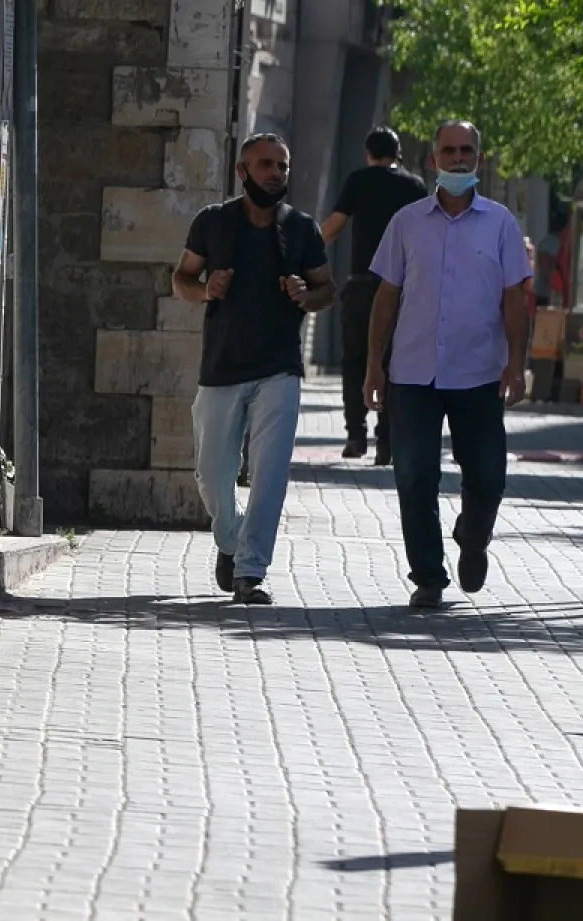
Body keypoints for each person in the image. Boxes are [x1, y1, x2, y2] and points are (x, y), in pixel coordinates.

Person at [363, 120, 531, 610]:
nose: (458, 159)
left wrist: (515, 365)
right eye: (449, 151)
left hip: (478, 372)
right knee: (414, 475)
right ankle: (429, 576)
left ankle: (473, 537)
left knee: (488, 476)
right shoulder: (407, 222)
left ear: (478, 158)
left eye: (467, 151)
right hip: (412, 372)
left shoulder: (500, 223)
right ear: (432, 159)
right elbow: (386, 296)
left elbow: (514, 301)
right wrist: (374, 364)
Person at [172, 133, 335, 604]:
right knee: (210, 473)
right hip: (222, 367)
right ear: (242, 171)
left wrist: (307, 294)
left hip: (279, 368)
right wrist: (206, 289)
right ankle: (230, 538)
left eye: (282, 167)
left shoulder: (302, 228)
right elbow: (180, 278)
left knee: (270, 473)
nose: (275, 174)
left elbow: (329, 289)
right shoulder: (213, 222)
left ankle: (250, 572)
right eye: (265, 165)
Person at [320, 126, 427, 465]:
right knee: (396, 364)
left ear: (368, 154)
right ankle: (387, 442)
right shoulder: (414, 186)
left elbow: (334, 226)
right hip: (402, 287)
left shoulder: (358, 181)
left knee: (354, 360)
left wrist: (302, 249)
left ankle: (355, 435)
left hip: (362, 283)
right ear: (398, 154)